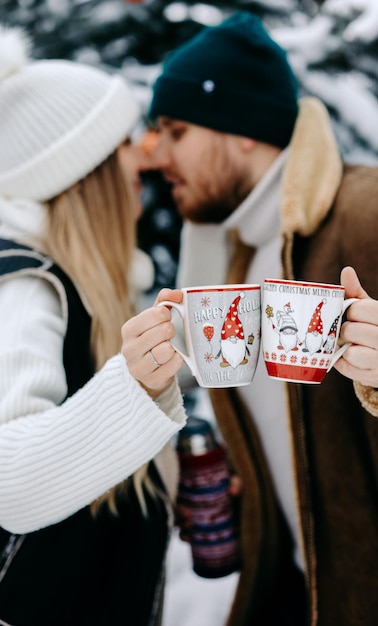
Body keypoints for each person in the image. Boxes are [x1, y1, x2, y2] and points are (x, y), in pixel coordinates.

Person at [146, 11, 378, 626]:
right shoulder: (237, 254)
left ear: (240, 127)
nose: (156, 154)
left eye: (175, 129)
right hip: (305, 595)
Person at [0, 24, 185, 626]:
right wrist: (134, 389)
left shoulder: (75, 280)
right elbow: (11, 479)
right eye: (128, 141)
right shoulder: (25, 288)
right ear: (87, 171)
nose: (146, 155)